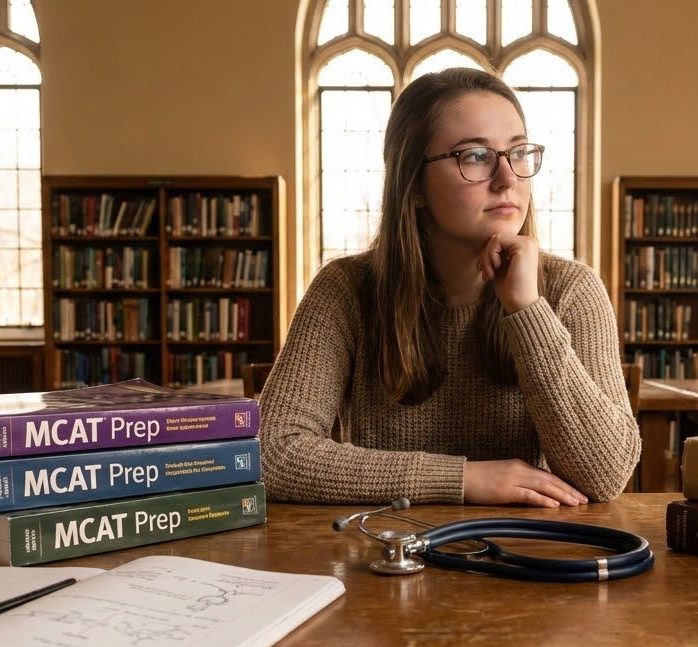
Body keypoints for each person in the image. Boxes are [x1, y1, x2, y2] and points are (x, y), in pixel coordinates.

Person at [260, 67, 640, 507]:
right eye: (475, 155)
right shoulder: (346, 290)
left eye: (518, 152)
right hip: (387, 543)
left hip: (527, 543)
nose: (508, 179)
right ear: (413, 185)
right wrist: (461, 479)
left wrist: (526, 309)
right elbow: (272, 454)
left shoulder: (570, 290)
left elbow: (605, 475)